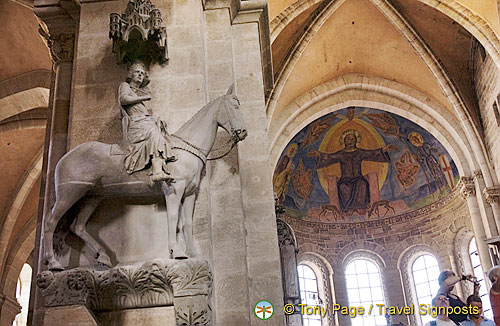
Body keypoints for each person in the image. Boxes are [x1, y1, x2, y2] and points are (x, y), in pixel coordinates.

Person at [308, 129, 390, 215]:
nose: (350, 141)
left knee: (362, 184)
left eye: (352, 139)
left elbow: (372, 154)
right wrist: (318, 154)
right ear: (343, 141)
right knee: (343, 187)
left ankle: (359, 207)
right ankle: (348, 209)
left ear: (356, 141)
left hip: (358, 178)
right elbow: (329, 157)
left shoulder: (360, 152)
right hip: (345, 179)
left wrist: (384, 150)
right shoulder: (341, 154)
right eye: (347, 139)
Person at [118, 60, 175, 182]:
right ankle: (157, 172)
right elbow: (123, 99)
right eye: (137, 72)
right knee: (154, 134)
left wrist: (156, 121)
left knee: (161, 133)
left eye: (142, 73)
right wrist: (142, 97)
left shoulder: (137, 94)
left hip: (144, 122)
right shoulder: (125, 86)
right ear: (131, 74)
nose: (140, 75)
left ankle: (160, 165)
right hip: (136, 125)